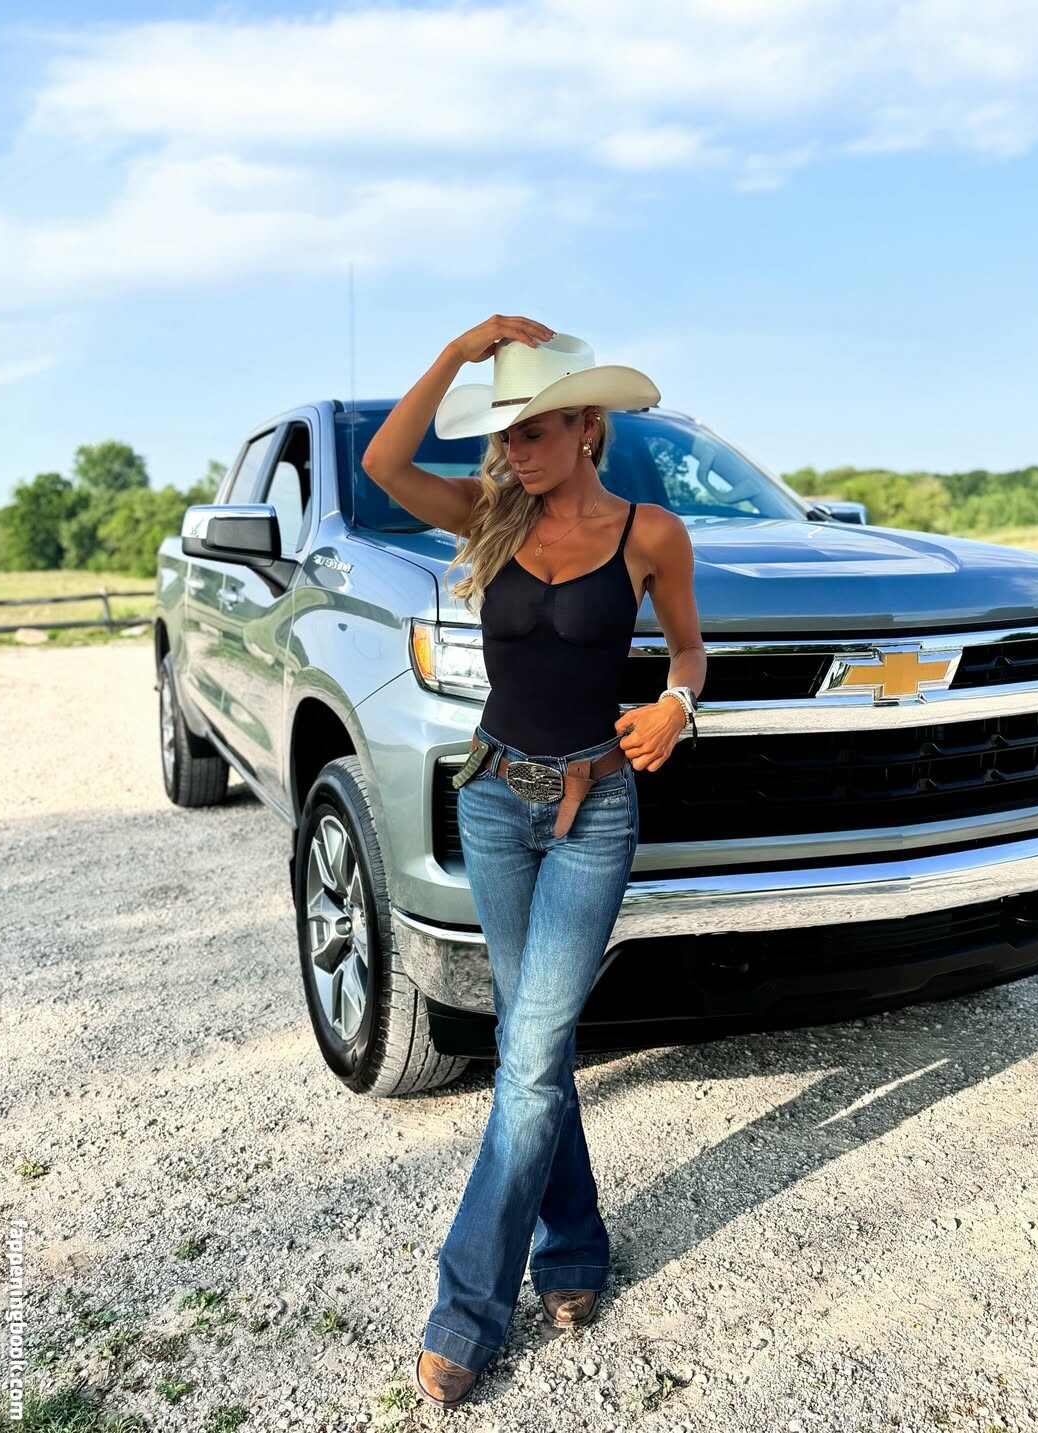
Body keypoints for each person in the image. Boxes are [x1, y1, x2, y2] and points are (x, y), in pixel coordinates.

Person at [361, 315, 706, 1407]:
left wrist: (677, 705)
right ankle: (573, 1247)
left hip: (594, 810)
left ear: (587, 424)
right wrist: (458, 353)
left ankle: (466, 1305)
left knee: (531, 1047)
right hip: (494, 799)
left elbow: (690, 647)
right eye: (506, 433)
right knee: (531, 1045)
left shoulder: (652, 533)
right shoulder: (489, 514)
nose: (516, 450)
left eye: (537, 430)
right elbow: (383, 464)